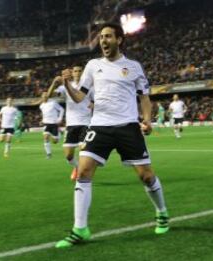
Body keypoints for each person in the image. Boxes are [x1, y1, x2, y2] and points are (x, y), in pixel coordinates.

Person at [54, 23, 169, 249]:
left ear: (119, 39)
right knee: (84, 172)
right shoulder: (92, 65)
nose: (103, 41)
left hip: (128, 126)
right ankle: (80, 229)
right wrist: (67, 83)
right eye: (101, 37)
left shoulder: (133, 67)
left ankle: (162, 212)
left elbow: (144, 97)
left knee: (146, 176)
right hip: (99, 126)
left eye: (108, 36)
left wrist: (147, 119)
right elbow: (80, 98)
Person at [47, 65, 93, 180]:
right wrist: (54, 83)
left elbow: (96, 100)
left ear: (83, 73)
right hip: (71, 124)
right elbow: (49, 96)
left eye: (79, 71)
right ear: (72, 73)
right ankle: (77, 167)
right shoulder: (65, 87)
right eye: (75, 71)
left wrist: (94, 104)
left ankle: (83, 175)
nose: (77, 73)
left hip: (85, 122)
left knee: (84, 152)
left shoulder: (89, 86)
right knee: (68, 156)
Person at [39, 92, 64, 159]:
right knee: (46, 137)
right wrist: (42, 120)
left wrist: (60, 119)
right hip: (46, 124)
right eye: (43, 96)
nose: (44, 97)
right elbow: (44, 114)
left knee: (55, 141)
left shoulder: (53, 103)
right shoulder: (41, 106)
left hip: (54, 124)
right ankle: (49, 154)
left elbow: (61, 109)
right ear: (42, 97)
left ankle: (59, 133)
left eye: (46, 96)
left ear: (48, 97)